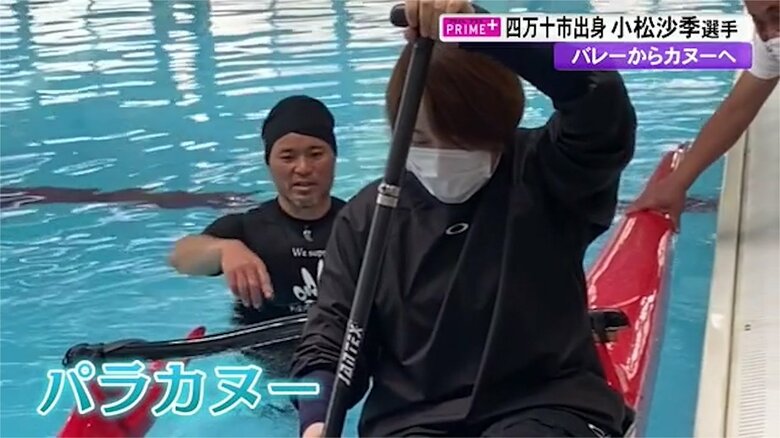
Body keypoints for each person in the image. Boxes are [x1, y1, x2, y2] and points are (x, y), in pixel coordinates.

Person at [289, 1, 638, 437]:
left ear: (497, 125)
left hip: (546, 407)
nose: (439, 156)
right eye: (419, 139)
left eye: (459, 139)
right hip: (412, 423)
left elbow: (595, 90)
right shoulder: (367, 218)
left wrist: (483, 29)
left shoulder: (549, 172)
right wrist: (316, 418)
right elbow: (331, 334)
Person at [169, 95, 346, 328]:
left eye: (315, 154)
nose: (303, 168)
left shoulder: (359, 223)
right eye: (287, 157)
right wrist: (224, 250)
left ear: (334, 158)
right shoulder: (248, 228)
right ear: (269, 163)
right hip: (265, 346)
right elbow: (180, 258)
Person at [629, 0, 779, 229]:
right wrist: (677, 183)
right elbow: (736, 110)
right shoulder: (771, 42)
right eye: (757, 20)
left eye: (777, 16)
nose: (768, 34)